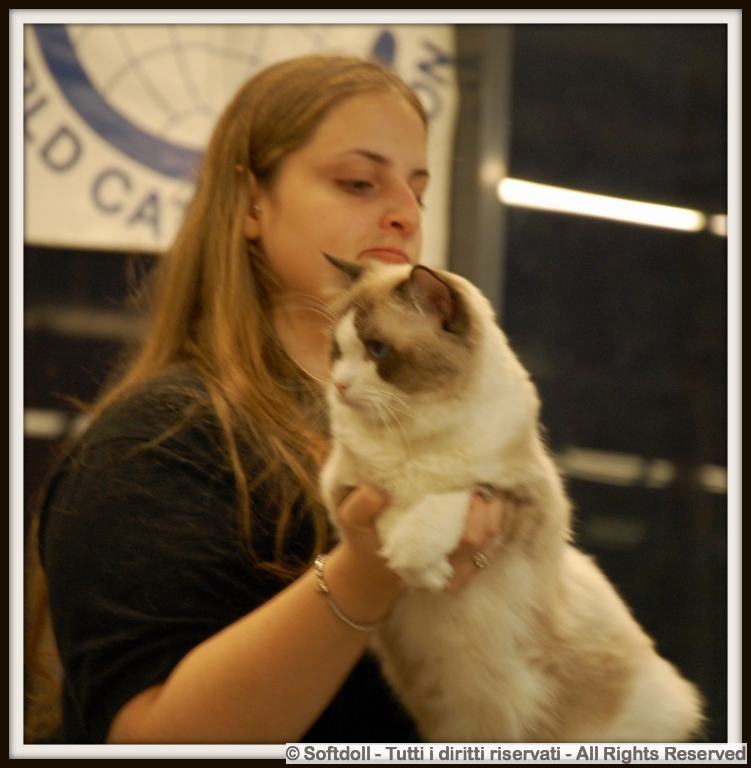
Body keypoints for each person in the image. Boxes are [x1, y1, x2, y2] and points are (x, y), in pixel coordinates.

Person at [26, 54, 507, 745]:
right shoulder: (159, 439)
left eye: (418, 192)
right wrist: (367, 573)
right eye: (358, 182)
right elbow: (150, 742)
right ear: (252, 202)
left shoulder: (414, 435)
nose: (404, 214)